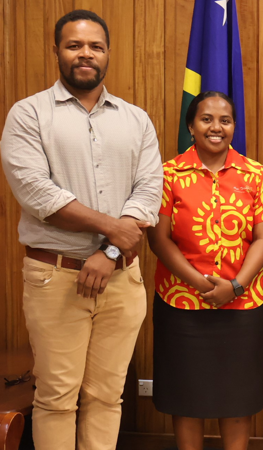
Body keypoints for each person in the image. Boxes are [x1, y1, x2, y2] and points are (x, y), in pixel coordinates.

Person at [0, 10, 163, 450]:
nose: (85, 54)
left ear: (107, 53)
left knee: (107, 397)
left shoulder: (136, 120)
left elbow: (149, 191)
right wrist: (114, 230)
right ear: (56, 51)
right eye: (74, 46)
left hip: (122, 280)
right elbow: (38, 195)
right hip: (56, 278)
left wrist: (109, 253)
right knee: (55, 399)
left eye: (95, 46)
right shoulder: (28, 115)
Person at [147, 91, 263, 450]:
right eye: (206, 119)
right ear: (190, 126)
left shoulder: (256, 174)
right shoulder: (167, 174)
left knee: (237, 398)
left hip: (244, 306)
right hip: (181, 305)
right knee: (186, 398)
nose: (216, 127)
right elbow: (160, 240)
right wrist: (203, 286)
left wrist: (235, 287)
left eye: (225, 120)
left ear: (234, 127)